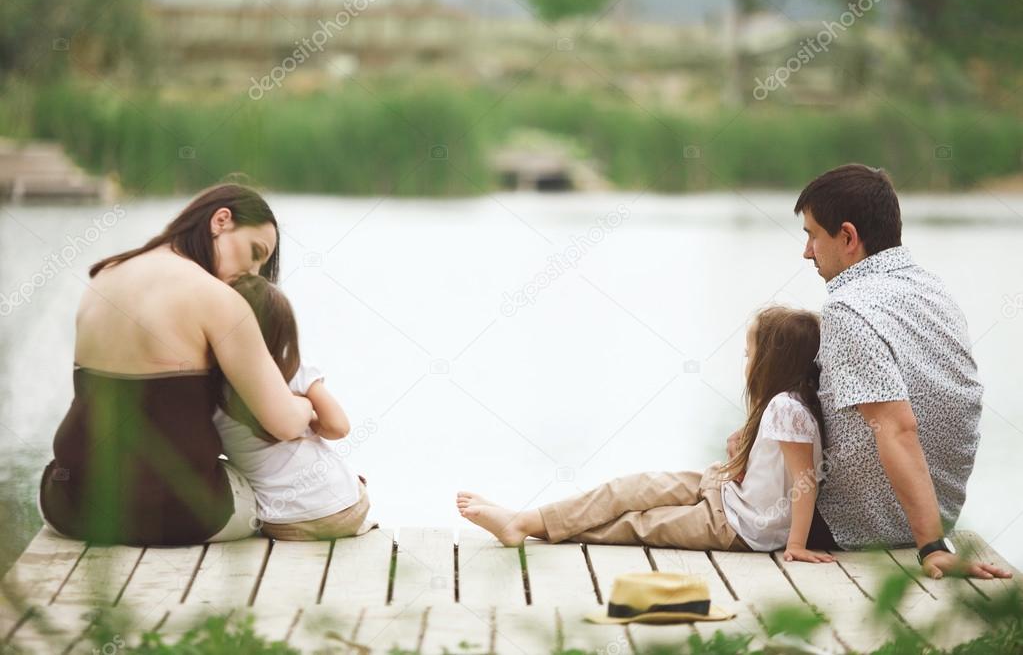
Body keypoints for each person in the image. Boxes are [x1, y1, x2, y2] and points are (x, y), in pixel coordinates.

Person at [735, 162, 1010, 580]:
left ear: (847, 237)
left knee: (657, 498)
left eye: (811, 235)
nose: (806, 251)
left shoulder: (848, 309)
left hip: (853, 525)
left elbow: (896, 427)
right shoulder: (933, 290)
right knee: (680, 486)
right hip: (923, 514)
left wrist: (932, 547)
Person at [38, 183, 314, 545]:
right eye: (255, 253)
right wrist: (307, 405)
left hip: (69, 508)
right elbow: (283, 423)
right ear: (221, 220)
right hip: (176, 516)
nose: (255, 274)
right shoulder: (219, 300)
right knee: (266, 491)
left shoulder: (104, 277)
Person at [458, 306, 835, 562]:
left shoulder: (787, 409)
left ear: (771, 361)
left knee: (641, 524)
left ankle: (523, 525)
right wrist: (746, 455)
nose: (747, 363)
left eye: (749, 355)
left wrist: (796, 544)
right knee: (630, 489)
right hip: (727, 492)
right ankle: (525, 518)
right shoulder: (785, 403)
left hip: (738, 526)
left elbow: (804, 481)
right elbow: (782, 471)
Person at [213, 275, 375, 540]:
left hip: (284, 523)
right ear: (283, 330)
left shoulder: (207, 389)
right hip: (347, 509)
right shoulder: (293, 368)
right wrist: (308, 411)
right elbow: (338, 427)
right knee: (342, 474)